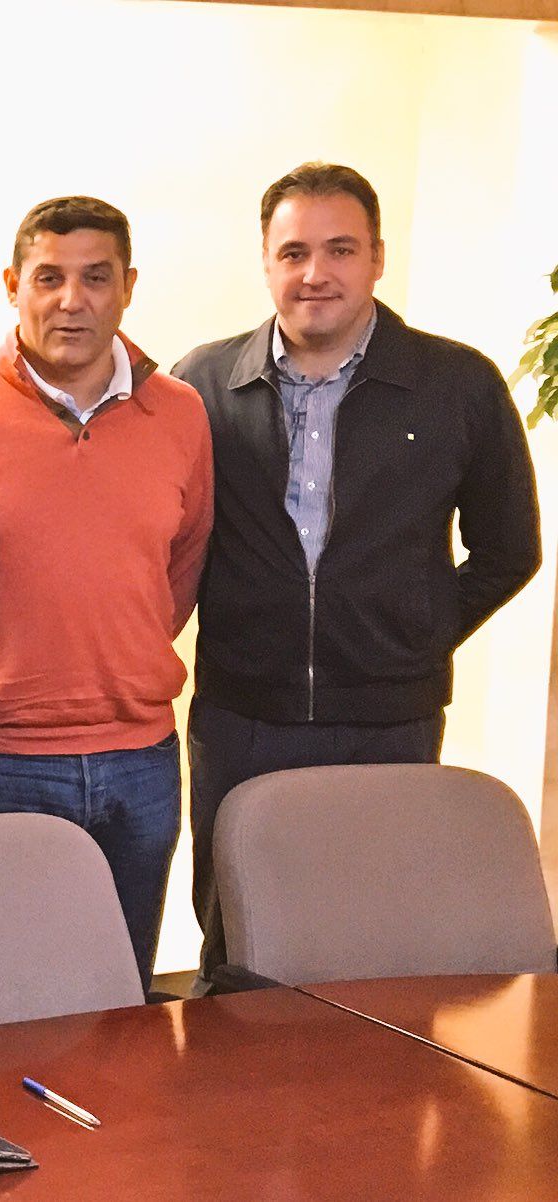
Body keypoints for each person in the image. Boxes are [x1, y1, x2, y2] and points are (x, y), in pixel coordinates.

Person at [172, 161, 541, 983]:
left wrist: (415, 626)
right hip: (243, 719)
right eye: (294, 251)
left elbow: (511, 548)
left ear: (378, 257)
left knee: (380, 947)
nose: (315, 273)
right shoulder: (199, 385)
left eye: (340, 249)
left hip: (391, 719)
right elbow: (166, 536)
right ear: (265, 260)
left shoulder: (458, 384)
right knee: (240, 954)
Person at [0, 197, 213, 990]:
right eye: (49, 278)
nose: (72, 300)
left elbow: (183, 563)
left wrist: (118, 661)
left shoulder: (182, 413)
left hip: (142, 764)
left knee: (119, 997)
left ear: (127, 285)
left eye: (96, 278)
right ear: (12, 285)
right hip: (3, 761)